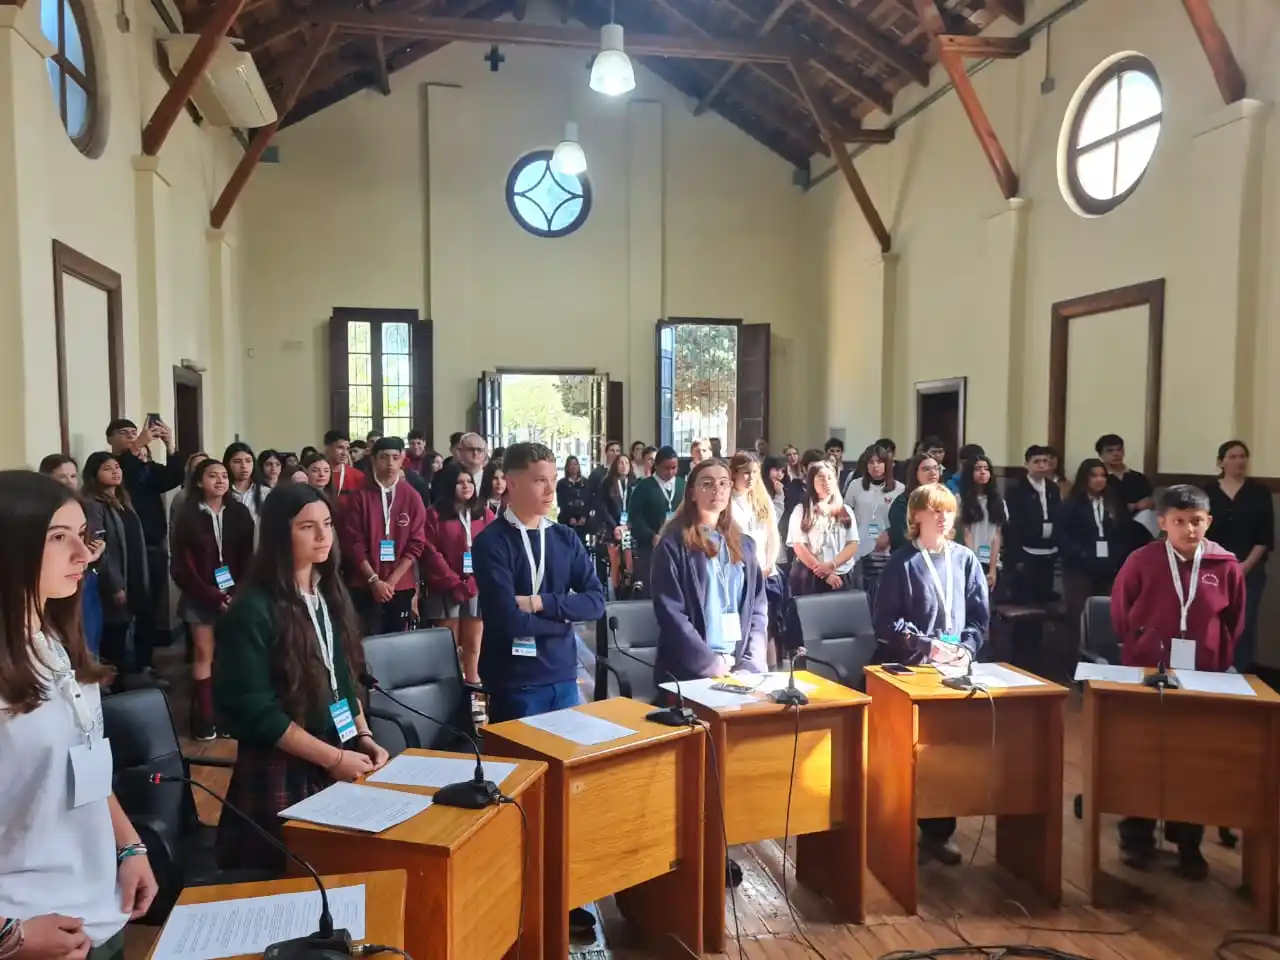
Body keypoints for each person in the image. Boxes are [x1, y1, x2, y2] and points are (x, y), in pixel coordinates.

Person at [0, 472, 159, 960]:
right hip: (29, 923)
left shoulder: (54, 643)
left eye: (85, 537)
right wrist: (9, 937)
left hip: (97, 909)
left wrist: (128, 845)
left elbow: (84, 763)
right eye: (58, 538)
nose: (85, 554)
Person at [214, 484, 388, 872]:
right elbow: (257, 712)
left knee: (342, 872)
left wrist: (364, 736)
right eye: (307, 527)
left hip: (331, 753)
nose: (323, 536)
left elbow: (340, 677)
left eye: (327, 524)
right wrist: (334, 758)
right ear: (279, 534)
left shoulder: (326, 593)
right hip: (282, 763)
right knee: (289, 879)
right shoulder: (253, 608)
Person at [1110, 484, 1244, 880]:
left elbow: (1234, 620)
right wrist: (1137, 645)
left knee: (1193, 761)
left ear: (1209, 522)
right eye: (1179, 522)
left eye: (1196, 522)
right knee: (1144, 755)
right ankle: (1137, 836)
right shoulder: (1142, 560)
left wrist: (1217, 658)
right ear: (1163, 522)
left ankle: (1188, 842)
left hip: (1202, 674)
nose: (1188, 529)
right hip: (1150, 671)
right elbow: (1121, 611)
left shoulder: (1225, 565)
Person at [873, 483, 989, 866]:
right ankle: (897, 823)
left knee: (948, 752)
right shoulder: (902, 562)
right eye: (935, 510)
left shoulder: (965, 560)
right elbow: (886, 622)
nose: (943, 517)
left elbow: (978, 618)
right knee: (913, 753)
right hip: (911, 669)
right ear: (916, 516)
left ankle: (939, 832)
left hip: (954, 669)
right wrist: (926, 645)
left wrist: (966, 648)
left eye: (949, 511)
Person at [472, 442, 605, 723]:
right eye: (540, 481)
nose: (550, 491)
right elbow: (507, 621)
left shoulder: (564, 537)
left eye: (553, 480)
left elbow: (595, 602)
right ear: (513, 484)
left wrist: (539, 602)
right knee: (524, 765)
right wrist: (565, 622)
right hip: (515, 680)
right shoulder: (491, 542)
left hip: (563, 674)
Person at [652, 458, 768, 681]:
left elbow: (757, 608)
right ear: (692, 493)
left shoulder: (744, 544)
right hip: (692, 671)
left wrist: (751, 663)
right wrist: (710, 664)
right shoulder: (673, 544)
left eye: (724, 483)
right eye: (707, 483)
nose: (717, 490)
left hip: (739, 666)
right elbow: (671, 614)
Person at [171, 459, 255, 740]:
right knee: (204, 654)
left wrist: (237, 593)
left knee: (230, 656)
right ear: (198, 481)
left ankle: (227, 715)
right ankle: (204, 719)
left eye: (223, 476)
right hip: (200, 596)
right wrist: (212, 595)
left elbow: (248, 559)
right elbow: (182, 567)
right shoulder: (187, 515)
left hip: (235, 596)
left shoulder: (240, 513)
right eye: (212, 476)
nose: (220, 481)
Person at [107, 416, 184, 686]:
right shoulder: (110, 467)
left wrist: (169, 442)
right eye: (124, 433)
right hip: (125, 553)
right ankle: (121, 670)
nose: (131, 436)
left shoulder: (145, 468)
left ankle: (145, 663)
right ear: (110, 439)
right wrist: (137, 444)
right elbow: (122, 471)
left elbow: (175, 476)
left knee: (149, 609)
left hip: (153, 547)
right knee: (124, 613)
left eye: (133, 432)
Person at [339, 437, 427, 637]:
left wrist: (392, 581)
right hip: (364, 583)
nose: (390, 464)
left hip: (400, 584)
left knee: (396, 641)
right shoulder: (358, 496)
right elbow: (353, 542)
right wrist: (374, 580)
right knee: (366, 641)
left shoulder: (412, 496)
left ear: (402, 460)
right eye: (383, 458)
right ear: (372, 460)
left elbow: (417, 543)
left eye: (395, 458)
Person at [422, 463, 494, 686]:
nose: (466, 486)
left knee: (473, 644)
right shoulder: (434, 515)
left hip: (476, 586)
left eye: (469, 481)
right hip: (446, 587)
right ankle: (449, 690)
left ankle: (473, 685)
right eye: (460, 482)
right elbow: (429, 551)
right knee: (448, 644)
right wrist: (453, 582)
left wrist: (474, 580)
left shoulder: (484, 514)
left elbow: (494, 549)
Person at [81, 453, 149, 687]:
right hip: (112, 580)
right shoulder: (92, 504)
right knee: (113, 637)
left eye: (117, 467)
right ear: (93, 475)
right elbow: (100, 549)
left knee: (124, 633)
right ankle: (113, 689)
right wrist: (115, 584)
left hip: (132, 573)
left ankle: (123, 681)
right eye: (107, 468)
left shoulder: (121, 499)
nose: (115, 471)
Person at [1205, 440, 1272, 672]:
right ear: (1221, 461)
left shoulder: (1259, 492)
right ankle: (1211, 671)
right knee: (1210, 622)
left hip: (1249, 569)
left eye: (1242, 456)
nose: (1239, 461)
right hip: (1211, 569)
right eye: (1232, 457)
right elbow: (1197, 532)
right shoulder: (1207, 491)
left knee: (1244, 624)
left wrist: (1244, 567)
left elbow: (1265, 537)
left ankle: (1239, 674)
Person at [1055, 458, 1130, 654]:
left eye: (1103, 476)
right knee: (1078, 614)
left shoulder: (1112, 503)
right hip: (1078, 567)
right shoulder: (1071, 504)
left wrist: (1115, 557)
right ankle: (1074, 661)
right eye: (1094, 476)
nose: (1099, 480)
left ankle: (1102, 657)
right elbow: (1061, 535)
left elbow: (1122, 532)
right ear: (1084, 478)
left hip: (1107, 567)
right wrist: (1080, 553)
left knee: (1104, 615)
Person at [39, 455, 106, 659]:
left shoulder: (85, 506)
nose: (69, 481)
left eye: (73, 475)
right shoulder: (41, 512)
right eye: (62, 477)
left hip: (87, 579)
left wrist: (97, 551)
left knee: (89, 637)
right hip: (65, 582)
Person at [729, 453, 783, 659]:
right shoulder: (728, 501)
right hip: (741, 571)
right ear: (734, 474)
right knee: (747, 624)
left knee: (768, 626)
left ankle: (771, 668)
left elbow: (772, 534)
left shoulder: (761, 498)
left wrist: (770, 563)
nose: (750, 478)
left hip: (766, 571)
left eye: (754, 473)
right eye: (745, 473)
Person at [787, 461, 858, 599]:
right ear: (811, 481)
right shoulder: (802, 510)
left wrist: (832, 565)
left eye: (830, 477)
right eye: (820, 477)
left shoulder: (845, 511)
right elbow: (800, 546)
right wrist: (824, 572)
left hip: (842, 573)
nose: (826, 481)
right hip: (811, 574)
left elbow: (852, 543)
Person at [1004, 445, 1061, 605]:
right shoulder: (1016, 489)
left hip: (1049, 549)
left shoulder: (1053, 488)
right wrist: (1017, 553)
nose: (1042, 465)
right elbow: (1013, 523)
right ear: (1026, 464)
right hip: (1026, 549)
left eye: (1045, 461)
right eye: (1036, 461)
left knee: (1046, 598)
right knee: (1026, 599)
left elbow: (1058, 515)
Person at [847, 444, 902, 610]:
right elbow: (846, 513)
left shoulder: (899, 489)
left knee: (883, 597)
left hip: (886, 551)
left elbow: (901, 521)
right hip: (859, 549)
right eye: (871, 462)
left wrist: (889, 535)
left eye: (879, 462)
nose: (875, 466)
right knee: (860, 597)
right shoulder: (855, 486)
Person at [629, 446, 685, 593]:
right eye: (666, 468)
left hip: (678, 543)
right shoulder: (644, 486)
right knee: (654, 585)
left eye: (674, 468)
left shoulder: (682, 485)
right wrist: (651, 536)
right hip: (651, 545)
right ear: (657, 466)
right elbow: (635, 517)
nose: (671, 472)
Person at [956, 454, 1005, 594]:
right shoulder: (960, 500)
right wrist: (975, 565)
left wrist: (992, 568)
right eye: (978, 469)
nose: (983, 472)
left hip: (991, 560)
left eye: (986, 468)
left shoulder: (998, 501)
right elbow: (967, 535)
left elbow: (996, 535)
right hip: (968, 560)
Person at [1096, 433, 1155, 530]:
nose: (1116, 454)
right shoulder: (1099, 478)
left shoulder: (1139, 477)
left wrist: (1150, 503)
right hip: (1110, 525)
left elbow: (1148, 500)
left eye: (1119, 450)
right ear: (1101, 455)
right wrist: (1134, 506)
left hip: (1142, 524)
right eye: (1110, 451)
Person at [597, 454, 634, 595]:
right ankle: (617, 587)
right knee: (615, 557)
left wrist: (627, 526)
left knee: (630, 554)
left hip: (629, 527)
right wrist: (615, 526)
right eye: (620, 463)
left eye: (626, 463)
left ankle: (629, 584)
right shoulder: (606, 483)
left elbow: (638, 509)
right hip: (611, 527)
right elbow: (603, 508)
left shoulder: (635, 483)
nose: (623, 466)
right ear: (615, 465)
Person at [888, 453, 942, 550]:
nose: (933, 472)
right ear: (915, 473)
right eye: (926, 469)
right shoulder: (903, 501)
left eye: (936, 468)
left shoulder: (944, 499)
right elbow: (901, 536)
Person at [224, 442, 268, 526]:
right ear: (227, 464)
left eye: (248, 461)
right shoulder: (221, 492)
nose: (244, 466)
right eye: (237, 461)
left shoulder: (266, 493)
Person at [556, 456, 590, 542]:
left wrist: (584, 516)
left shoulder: (585, 482)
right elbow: (561, 502)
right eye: (570, 464)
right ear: (567, 467)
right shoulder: (562, 483)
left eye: (575, 464)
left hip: (583, 519)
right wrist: (570, 517)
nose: (573, 466)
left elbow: (589, 500)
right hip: (566, 518)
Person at [323, 430, 364, 496]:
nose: (345, 453)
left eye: (347, 448)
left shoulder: (358, 476)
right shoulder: (316, 474)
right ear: (328, 447)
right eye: (340, 447)